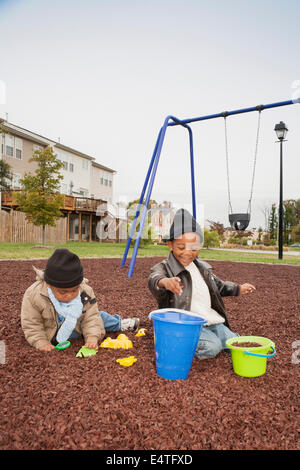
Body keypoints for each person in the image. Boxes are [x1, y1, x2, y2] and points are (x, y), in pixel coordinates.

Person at [148, 208, 256, 360]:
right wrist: (165, 282)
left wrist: (238, 288)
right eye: (181, 247)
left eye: (194, 248)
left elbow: (218, 286)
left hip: (210, 321)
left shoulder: (202, 268)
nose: (188, 252)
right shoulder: (165, 268)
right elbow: (154, 278)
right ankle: (175, 342)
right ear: (170, 245)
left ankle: (212, 337)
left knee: (234, 342)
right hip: (185, 326)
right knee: (212, 347)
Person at [21, 248, 140, 352]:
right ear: (49, 285)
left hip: (77, 327)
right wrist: (40, 341)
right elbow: (31, 323)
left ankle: (119, 323)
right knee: (35, 325)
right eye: (62, 292)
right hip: (51, 330)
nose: (69, 296)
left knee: (100, 317)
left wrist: (92, 338)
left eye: (74, 290)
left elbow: (91, 319)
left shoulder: (85, 292)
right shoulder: (34, 294)